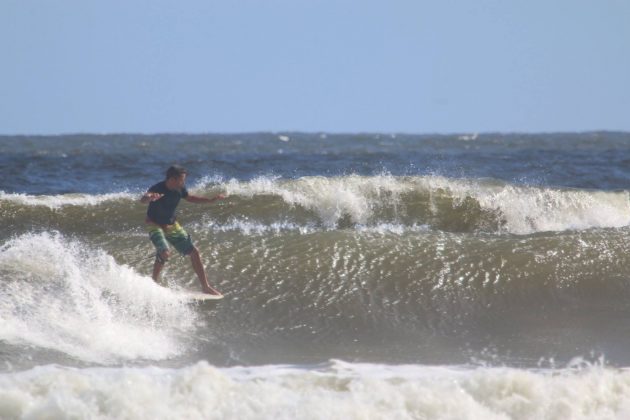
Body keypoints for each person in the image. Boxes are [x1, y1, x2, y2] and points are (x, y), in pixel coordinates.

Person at [140, 165, 225, 296]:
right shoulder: (157, 188)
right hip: (154, 225)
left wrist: (210, 200)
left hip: (172, 225)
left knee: (194, 252)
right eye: (182, 179)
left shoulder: (179, 189)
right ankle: (154, 283)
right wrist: (149, 198)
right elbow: (144, 199)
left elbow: (190, 198)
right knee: (165, 253)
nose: (183, 182)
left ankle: (205, 286)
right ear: (173, 179)